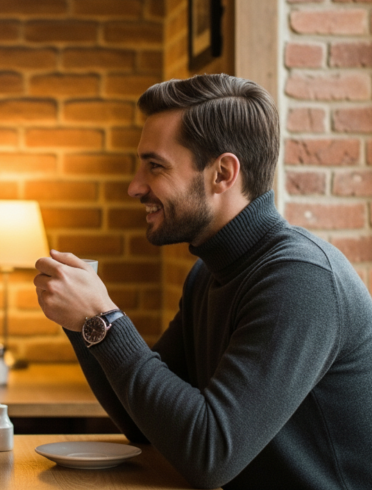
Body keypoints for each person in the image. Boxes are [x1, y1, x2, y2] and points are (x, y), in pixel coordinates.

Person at [34, 74, 372, 489]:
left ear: (222, 174)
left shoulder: (301, 280)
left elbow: (210, 455)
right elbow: (148, 425)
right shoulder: (207, 274)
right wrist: (83, 324)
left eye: (155, 166)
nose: (134, 186)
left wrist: (102, 320)